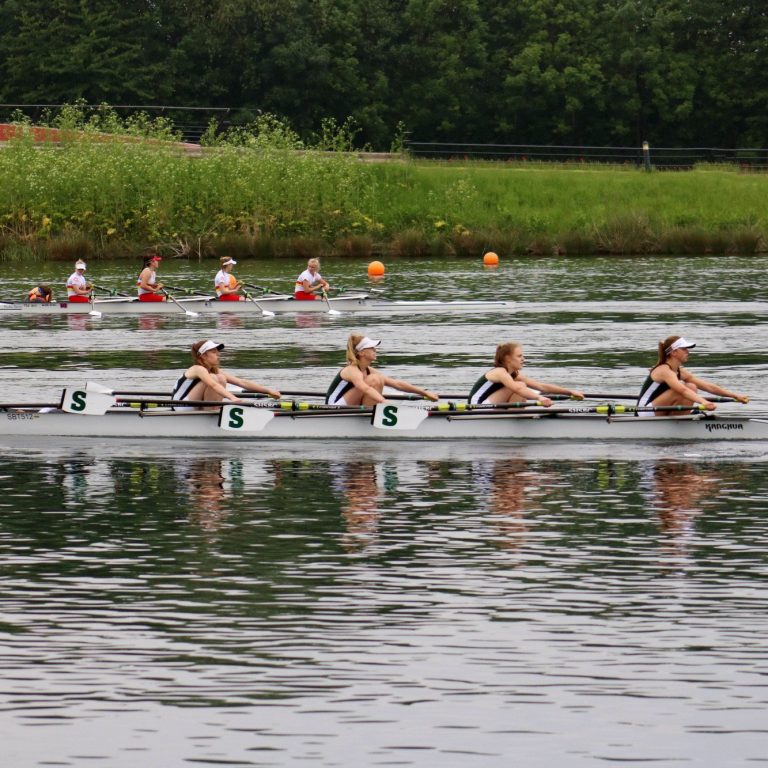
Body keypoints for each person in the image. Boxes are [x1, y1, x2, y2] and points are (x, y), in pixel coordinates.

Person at [637, 335, 749, 416]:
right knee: (686, 388)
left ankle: (681, 419)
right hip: (644, 412)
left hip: (659, 409)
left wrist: (735, 395)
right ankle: (681, 422)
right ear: (673, 352)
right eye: (684, 349)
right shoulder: (664, 370)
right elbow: (682, 391)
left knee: (692, 386)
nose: (688, 352)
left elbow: (709, 387)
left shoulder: (680, 372)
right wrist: (703, 402)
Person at [326, 334, 439, 405]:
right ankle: (370, 414)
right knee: (374, 379)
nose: (375, 350)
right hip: (334, 406)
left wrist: (425, 392)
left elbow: (397, 384)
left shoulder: (369, 370)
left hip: (349, 403)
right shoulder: (352, 370)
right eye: (371, 348)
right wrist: (383, 401)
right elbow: (365, 388)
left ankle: (370, 415)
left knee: (378, 378)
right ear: (361, 353)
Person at [468, 342, 583, 407]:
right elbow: (517, 388)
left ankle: (516, 417)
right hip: (477, 407)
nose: (523, 359)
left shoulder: (513, 374)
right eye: (519, 356)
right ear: (507, 358)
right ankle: (514, 418)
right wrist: (539, 397)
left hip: (491, 404)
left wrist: (569, 392)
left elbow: (541, 386)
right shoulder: (500, 372)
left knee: (523, 386)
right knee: (520, 386)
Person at [172, 339, 281, 409]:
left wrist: (269, 391)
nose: (218, 355)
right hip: (180, 406)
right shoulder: (197, 369)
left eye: (218, 352)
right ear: (204, 356)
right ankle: (211, 412)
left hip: (194, 404)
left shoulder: (214, 370)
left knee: (221, 377)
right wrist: (233, 398)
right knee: (214, 378)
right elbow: (213, 385)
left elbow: (241, 382)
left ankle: (213, 410)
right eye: (214, 352)